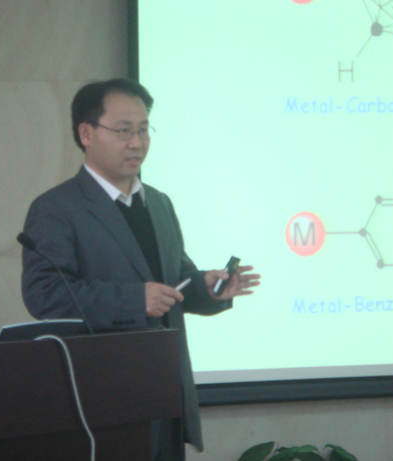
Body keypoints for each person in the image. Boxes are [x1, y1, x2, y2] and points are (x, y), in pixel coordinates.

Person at [20, 78, 260, 460]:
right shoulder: (57, 208)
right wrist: (135, 300)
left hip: (166, 394)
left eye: (144, 130)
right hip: (101, 403)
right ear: (86, 133)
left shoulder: (159, 203)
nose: (137, 142)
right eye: (124, 131)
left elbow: (175, 278)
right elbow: (44, 295)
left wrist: (207, 288)